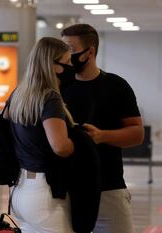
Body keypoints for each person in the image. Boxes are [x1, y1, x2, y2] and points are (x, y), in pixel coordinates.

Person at [0, 37, 76, 233]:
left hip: (20, 190)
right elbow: (60, 146)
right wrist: (81, 142)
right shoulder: (50, 98)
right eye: (68, 61)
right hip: (45, 193)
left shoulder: (19, 94)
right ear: (53, 65)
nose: (71, 66)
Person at [60, 24, 144, 233]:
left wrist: (102, 136)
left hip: (108, 187)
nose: (66, 56)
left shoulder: (116, 86)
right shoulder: (57, 87)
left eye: (71, 49)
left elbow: (137, 133)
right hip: (64, 189)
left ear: (90, 51)